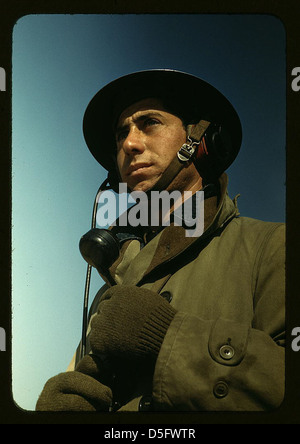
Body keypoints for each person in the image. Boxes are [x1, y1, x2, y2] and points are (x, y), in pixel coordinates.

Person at [36, 69, 285, 412]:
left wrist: (167, 337)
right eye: (121, 132)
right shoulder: (111, 283)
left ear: (201, 142)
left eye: (149, 123)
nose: (129, 143)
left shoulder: (273, 246)